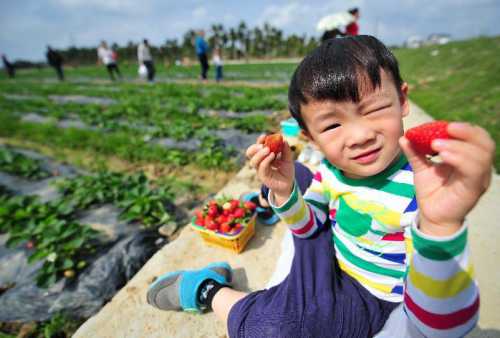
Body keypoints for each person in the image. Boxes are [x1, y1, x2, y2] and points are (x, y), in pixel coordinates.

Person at [147, 36, 494, 338]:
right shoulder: (331, 170)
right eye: (331, 126)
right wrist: (283, 193)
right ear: (309, 137)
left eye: (374, 109)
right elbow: (309, 226)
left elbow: (439, 325)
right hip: (335, 254)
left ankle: (209, 290)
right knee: (296, 177)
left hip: (371, 296)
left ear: (403, 101)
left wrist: (440, 226)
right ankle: (272, 200)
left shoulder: (424, 192)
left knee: (275, 331)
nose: (359, 136)